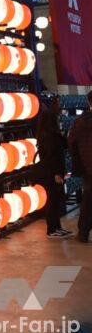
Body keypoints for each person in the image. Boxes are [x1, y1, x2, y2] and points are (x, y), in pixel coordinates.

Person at [35, 94, 70, 237]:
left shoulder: (48, 135)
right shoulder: (49, 137)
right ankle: (52, 229)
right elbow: (51, 157)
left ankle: (57, 227)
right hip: (51, 173)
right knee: (52, 200)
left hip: (51, 172)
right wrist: (56, 174)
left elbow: (64, 145)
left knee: (55, 200)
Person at [68, 91, 92, 243]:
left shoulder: (79, 122)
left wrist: (79, 162)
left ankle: (83, 233)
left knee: (88, 200)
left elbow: (71, 143)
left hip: (87, 167)